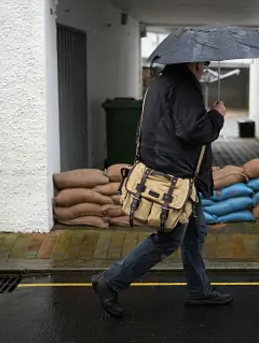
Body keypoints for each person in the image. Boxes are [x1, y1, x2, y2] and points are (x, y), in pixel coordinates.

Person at [91, 61, 232, 318]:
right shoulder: (185, 85)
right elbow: (193, 130)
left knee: (196, 230)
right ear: (194, 61)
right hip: (175, 179)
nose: (206, 67)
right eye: (205, 62)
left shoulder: (159, 82)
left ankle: (199, 290)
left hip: (169, 171)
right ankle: (110, 282)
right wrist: (216, 116)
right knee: (169, 239)